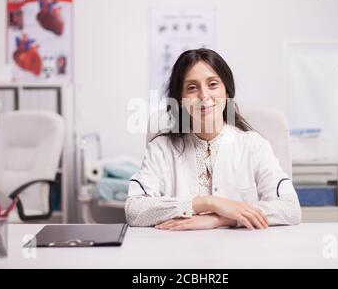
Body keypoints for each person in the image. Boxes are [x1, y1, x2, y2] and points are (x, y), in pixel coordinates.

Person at [125, 48, 301, 230]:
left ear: (226, 91)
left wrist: (223, 219)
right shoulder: (162, 149)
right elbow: (134, 211)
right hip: (178, 251)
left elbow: (290, 208)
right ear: (180, 99)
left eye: (213, 84)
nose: (204, 96)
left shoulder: (253, 145)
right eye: (192, 88)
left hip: (242, 251)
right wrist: (208, 203)